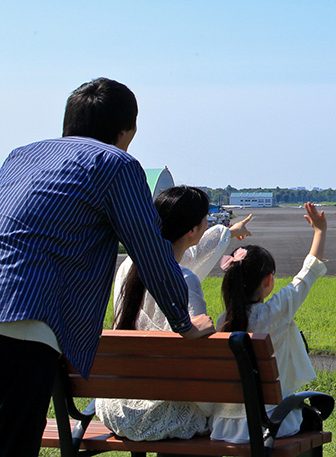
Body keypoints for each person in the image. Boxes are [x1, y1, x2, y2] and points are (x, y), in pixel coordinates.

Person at [0, 78, 214, 457]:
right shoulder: (116, 164)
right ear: (127, 130)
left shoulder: (19, 156)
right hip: (27, 321)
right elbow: (151, 250)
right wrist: (183, 321)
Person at [96, 186, 253, 441]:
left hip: (114, 407)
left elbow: (191, 254)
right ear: (192, 231)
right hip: (156, 414)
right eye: (205, 220)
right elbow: (198, 360)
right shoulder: (184, 280)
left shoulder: (129, 266)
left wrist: (228, 232)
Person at [209, 202, 327, 443]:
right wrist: (320, 231)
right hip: (271, 424)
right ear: (268, 281)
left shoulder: (224, 321)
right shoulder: (276, 312)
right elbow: (307, 273)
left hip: (223, 426)